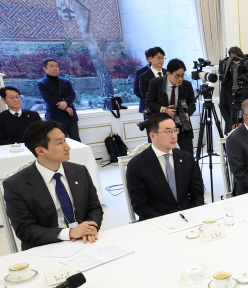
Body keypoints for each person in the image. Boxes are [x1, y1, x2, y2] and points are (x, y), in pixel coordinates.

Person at [3, 120, 102, 251]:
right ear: (40, 151)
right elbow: (25, 230)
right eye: (59, 143)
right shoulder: (16, 185)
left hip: (84, 241)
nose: (67, 147)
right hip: (45, 247)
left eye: (65, 140)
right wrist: (70, 233)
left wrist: (89, 229)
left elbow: (94, 208)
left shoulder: (79, 171)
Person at [126, 113, 204, 220]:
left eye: (175, 130)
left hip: (189, 216)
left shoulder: (187, 158)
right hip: (157, 220)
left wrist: (193, 214)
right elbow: (140, 205)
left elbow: (198, 193)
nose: (174, 136)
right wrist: (165, 221)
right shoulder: (136, 165)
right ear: (153, 136)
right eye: (168, 132)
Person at [145, 58, 196, 154]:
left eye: (182, 75)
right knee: (164, 155)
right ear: (168, 74)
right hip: (162, 127)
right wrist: (164, 109)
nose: (180, 79)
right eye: (177, 76)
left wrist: (187, 114)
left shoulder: (187, 85)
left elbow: (192, 104)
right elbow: (148, 102)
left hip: (181, 126)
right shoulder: (156, 83)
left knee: (188, 155)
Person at [219, 46, 248, 134]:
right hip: (231, 127)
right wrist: (232, 124)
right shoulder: (226, 83)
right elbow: (223, 106)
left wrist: (244, 123)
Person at [36, 59, 80, 142]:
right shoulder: (41, 83)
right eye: (51, 66)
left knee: (76, 140)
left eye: (56, 66)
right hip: (55, 116)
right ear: (45, 69)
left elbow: (72, 94)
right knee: (59, 141)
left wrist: (66, 103)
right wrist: (66, 107)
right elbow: (48, 98)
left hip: (70, 115)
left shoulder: (65, 81)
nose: (55, 68)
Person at [138, 47, 166, 114]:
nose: (161, 60)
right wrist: (160, 108)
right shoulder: (143, 77)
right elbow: (145, 96)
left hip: (168, 110)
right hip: (153, 112)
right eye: (158, 58)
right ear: (150, 59)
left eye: (162, 58)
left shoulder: (168, 73)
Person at [133, 49, 151, 117]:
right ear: (147, 59)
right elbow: (136, 90)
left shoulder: (164, 71)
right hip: (146, 105)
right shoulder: (140, 72)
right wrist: (148, 99)